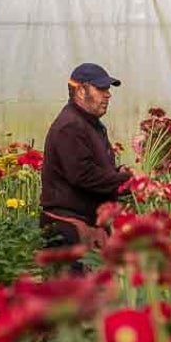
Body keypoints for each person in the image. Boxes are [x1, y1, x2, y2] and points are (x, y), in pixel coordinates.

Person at [39, 63, 131, 251]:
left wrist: (117, 173)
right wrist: (127, 181)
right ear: (81, 91)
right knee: (72, 281)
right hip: (68, 230)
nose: (108, 94)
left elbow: (93, 167)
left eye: (108, 89)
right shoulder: (70, 126)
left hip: (82, 224)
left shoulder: (89, 123)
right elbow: (83, 175)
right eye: (101, 89)